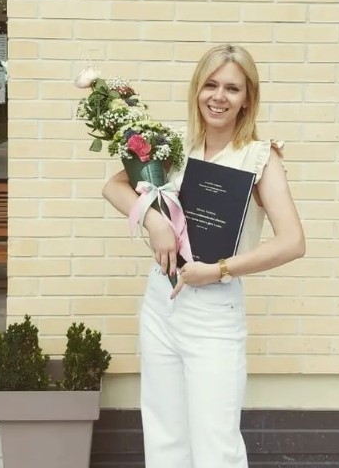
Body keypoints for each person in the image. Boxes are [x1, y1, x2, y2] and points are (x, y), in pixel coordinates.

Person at [102, 43, 306, 468]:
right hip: (161, 302)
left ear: (247, 98)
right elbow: (114, 187)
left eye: (232, 88)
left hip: (213, 312)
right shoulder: (176, 147)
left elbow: (292, 241)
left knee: (216, 444)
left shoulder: (260, 158)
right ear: (197, 89)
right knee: (164, 435)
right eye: (210, 85)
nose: (218, 96)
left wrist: (219, 270)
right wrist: (154, 221)